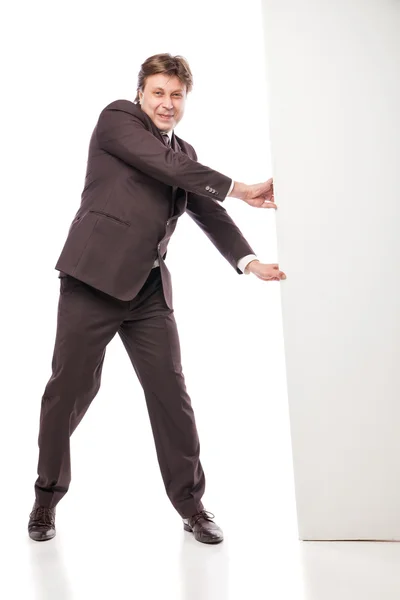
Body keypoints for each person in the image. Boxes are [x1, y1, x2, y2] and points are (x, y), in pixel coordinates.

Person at [28, 53, 286, 545]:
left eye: (176, 95)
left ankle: (193, 506)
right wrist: (240, 187)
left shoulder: (183, 150)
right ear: (140, 94)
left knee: (172, 396)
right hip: (92, 280)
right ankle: (45, 498)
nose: (167, 104)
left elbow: (206, 210)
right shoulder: (117, 121)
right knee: (69, 393)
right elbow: (166, 165)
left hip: (147, 290)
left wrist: (248, 262)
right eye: (159, 93)